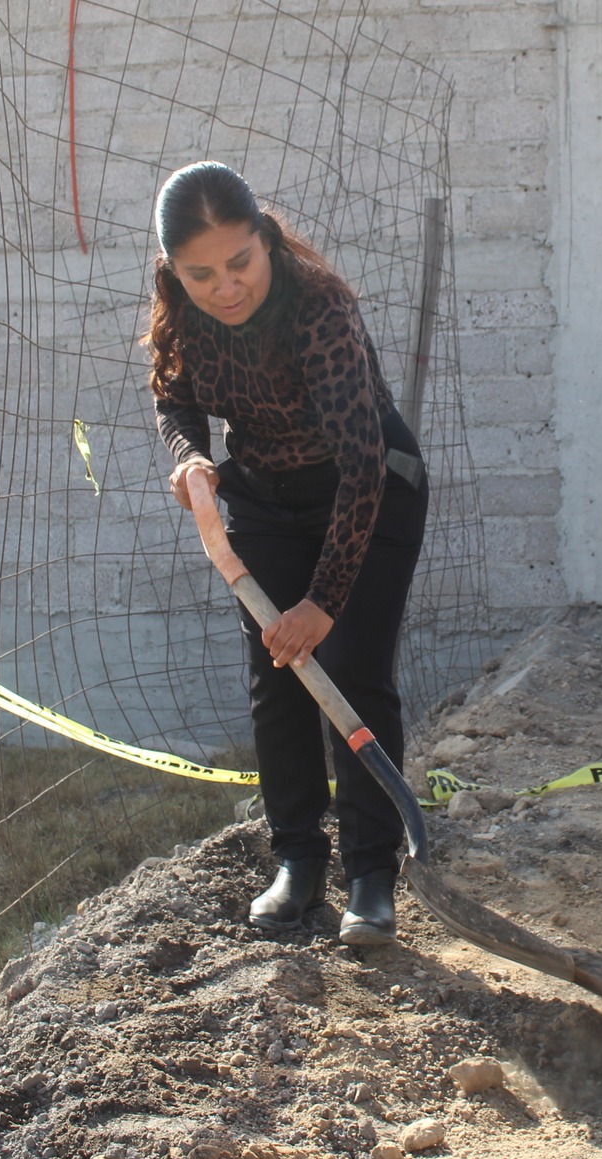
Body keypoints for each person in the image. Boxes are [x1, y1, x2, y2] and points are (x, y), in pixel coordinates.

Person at [147, 161, 429, 945]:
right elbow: (172, 393)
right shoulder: (182, 307)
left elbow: (363, 466)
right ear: (174, 268)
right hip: (265, 498)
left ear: (265, 239)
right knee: (276, 677)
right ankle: (297, 861)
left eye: (240, 262)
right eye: (201, 273)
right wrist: (191, 456)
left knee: (351, 672)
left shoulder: (319, 307)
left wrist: (323, 601)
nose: (225, 287)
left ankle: (371, 876)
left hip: (368, 491)